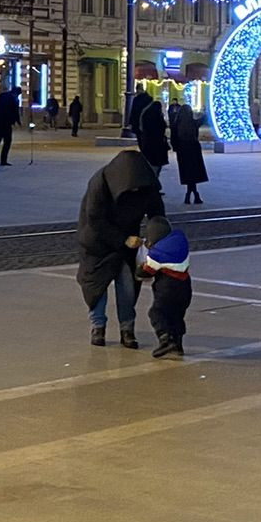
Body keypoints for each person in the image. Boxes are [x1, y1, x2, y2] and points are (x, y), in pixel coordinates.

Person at [77, 151, 164, 349]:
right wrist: (123, 239)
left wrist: (154, 236)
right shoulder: (99, 183)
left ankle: (127, 329)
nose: (134, 191)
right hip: (96, 242)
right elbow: (94, 220)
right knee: (96, 287)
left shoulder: (145, 185)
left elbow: (157, 213)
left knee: (127, 286)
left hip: (128, 244)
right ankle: (98, 327)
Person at [137, 216, 192, 359]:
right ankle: (178, 345)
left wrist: (138, 269)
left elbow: (147, 271)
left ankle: (165, 339)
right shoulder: (180, 242)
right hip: (185, 286)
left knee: (157, 313)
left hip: (167, 288)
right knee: (177, 316)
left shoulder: (157, 253)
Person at [170, 101, 207, 205]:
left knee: (188, 174)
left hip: (182, 151)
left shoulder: (176, 124)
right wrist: (206, 111)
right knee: (193, 174)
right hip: (193, 149)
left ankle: (192, 195)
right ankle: (194, 195)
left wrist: (176, 148)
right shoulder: (192, 123)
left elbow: (173, 139)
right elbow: (202, 120)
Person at [135, 93, 170, 172]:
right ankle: (154, 176)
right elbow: (162, 126)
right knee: (156, 163)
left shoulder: (145, 112)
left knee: (151, 160)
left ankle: (151, 173)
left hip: (148, 142)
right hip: (157, 143)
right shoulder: (157, 116)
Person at [0, 85, 19, 165]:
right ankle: (3, 160)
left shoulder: (2, 95)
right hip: (6, 122)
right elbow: (15, 111)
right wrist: (17, 121)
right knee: (7, 141)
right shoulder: (14, 98)